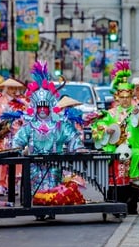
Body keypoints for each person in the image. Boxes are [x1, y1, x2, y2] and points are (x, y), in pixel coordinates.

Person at [12, 61, 85, 194]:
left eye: (45, 107)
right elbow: (18, 140)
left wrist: (78, 147)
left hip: (54, 165)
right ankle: (39, 210)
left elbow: (73, 136)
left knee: (53, 191)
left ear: (50, 107)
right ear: (35, 107)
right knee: (37, 194)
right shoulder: (30, 125)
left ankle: (50, 209)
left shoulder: (59, 124)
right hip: (34, 166)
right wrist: (18, 150)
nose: (42, 110)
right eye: (40, 107)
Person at [92, 61, 139, 214]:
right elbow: (97, 127)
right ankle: (116, 206)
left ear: (131, 96)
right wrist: (106, 129)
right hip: (117, 154)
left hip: (134, 152)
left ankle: (131, 207)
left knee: (134, 181)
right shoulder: (110, 114)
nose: (125, 99)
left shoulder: (137, 111)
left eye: (127, 96)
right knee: (117, 181)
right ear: (117, 97)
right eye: (121, 97)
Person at [0, 77, 28, 196]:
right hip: (2, 135)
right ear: (5, 88)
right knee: (1, 160)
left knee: (16, 161)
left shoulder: (21, 102)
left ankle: (13, 184)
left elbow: (26, 117)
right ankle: (0, 185)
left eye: (16, 88)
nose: (14, 90)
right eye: (11, 88)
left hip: (16, 136)